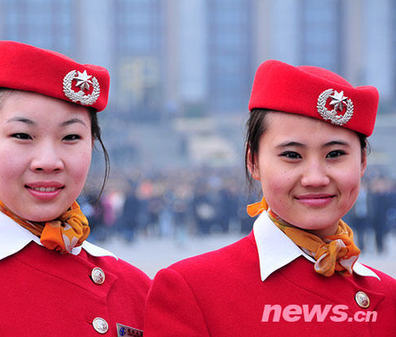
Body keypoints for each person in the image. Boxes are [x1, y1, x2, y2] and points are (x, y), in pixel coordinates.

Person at [0, 41, 150, 336]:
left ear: (92, 144)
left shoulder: (137, 289)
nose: (48, 162)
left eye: (71, 136)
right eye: (23, 135)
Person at [143, 60, 396, 336]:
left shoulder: (388, 296)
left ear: (362, 163)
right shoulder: (191, 291)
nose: (315, 178)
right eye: (291, 155)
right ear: (253, 162)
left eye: (335, 154)